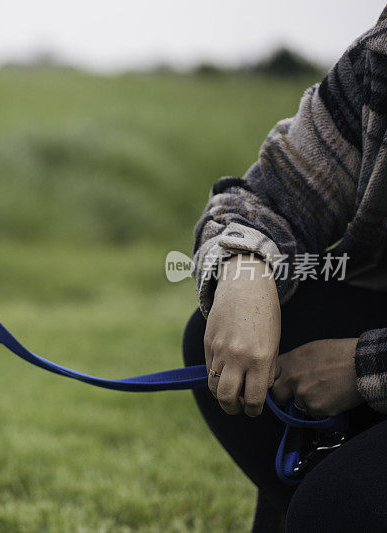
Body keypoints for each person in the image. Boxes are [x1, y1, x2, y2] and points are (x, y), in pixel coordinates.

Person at [182, 5, 387, 532]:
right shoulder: (379, 57)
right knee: (213, 333)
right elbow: (267, 195)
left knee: (339, 505)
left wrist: (364, 368)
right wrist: (245, 267)